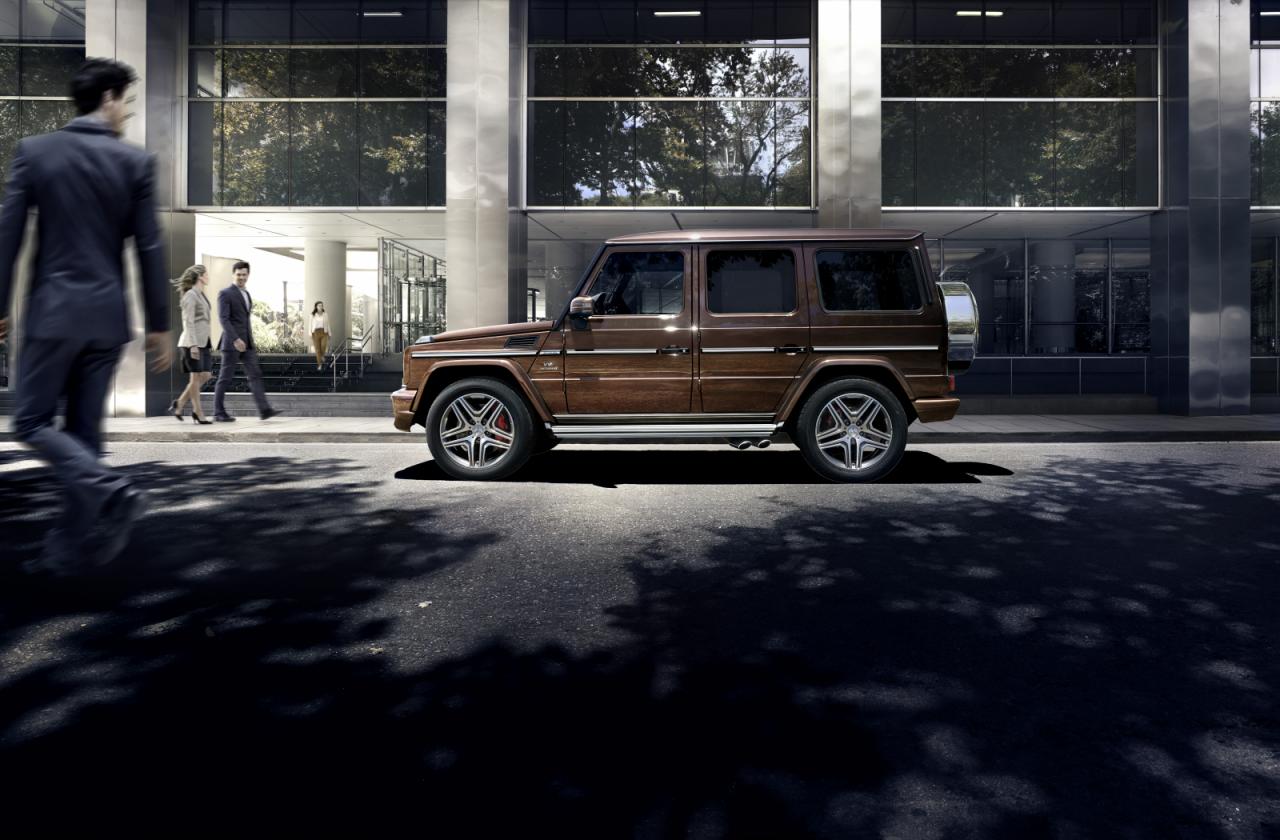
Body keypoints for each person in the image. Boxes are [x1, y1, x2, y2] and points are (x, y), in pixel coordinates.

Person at [0, 58, 171, 573]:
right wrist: (159, 324)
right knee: (83, 436)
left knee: (30, 421)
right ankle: (67, 550)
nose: (128, 113)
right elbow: (150, 246)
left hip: (53, 314)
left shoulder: (36, 152)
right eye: (127, 103)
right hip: (105, 321)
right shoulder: (134, 163)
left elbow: (8, 234)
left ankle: (112, 492)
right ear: (108, 98)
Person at [212, 260, 279, 422]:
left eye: (244, 274)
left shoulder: (246, 294)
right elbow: (223, 319)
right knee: (225, 378)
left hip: (247, 343)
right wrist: (236, 339)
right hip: (232, 343)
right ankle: (218, 412)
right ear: (233, 275)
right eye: (238, 274)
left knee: (255, 374)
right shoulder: (225, 293)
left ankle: (264, 410)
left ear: (248, 275)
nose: (241, 277)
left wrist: (247, 340)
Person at [167, 264, 213, 424]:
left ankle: (179, 403)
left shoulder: (201, 294)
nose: (208, 276)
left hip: (203, 342)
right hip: (191, 343)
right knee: (195, 378)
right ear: (200, 276)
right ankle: (197, 412)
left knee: (206, 375)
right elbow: (188, 321)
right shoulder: (190, 295)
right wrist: (193, 345)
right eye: (206, 274)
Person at [310, 301, 329, 371]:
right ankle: (320, 365)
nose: (320, 307)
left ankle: (322, 356)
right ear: (316, 307)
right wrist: (310, 333)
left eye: (321, 305)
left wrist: (330, 333)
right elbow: (310, 324)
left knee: (323, 346)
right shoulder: (312, 315)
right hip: (315, 332)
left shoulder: (325, 314)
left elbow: (328, 324)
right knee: (318, 350)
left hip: (324, 332)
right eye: (319, 305)